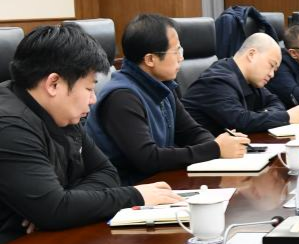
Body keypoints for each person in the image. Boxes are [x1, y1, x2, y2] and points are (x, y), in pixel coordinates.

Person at [0, 24, 180, 244]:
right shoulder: (4, 128)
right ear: (54, 84)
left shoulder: (59, 111)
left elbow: (106, 172)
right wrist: (135, 196)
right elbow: (54, 210)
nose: (93, 99)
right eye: (89, 88)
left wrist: (59, 205)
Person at [86, 13, 250, 185]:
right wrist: (215, 149)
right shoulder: (122, 97)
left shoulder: (162, 85)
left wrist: (220, 146)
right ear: (150, 59)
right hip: (129, 189)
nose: (181, 58)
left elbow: (191, 132)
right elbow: (148, 159)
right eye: (176, 51)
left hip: (159, 182)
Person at [183, 33, 299, 135]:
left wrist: (261, 115)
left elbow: (275, 102)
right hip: (200, 154)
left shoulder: (251, 80)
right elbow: (240, 122)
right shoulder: (217, 80)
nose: (272, 74)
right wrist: (286, 117)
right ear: (251, 54)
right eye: (271, 65)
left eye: (274, 70)